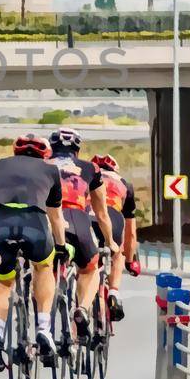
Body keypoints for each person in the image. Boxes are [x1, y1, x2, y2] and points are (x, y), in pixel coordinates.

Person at [0, 133, 66, 373]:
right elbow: (56, 216)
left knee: (3, 282)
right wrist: (60, 247)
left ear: (14, 150)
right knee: (43, 268)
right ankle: (43, 329)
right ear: (45, 153)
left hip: (0, 223)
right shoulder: (51, 171)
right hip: (35, 222)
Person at [46, 128, 113, 338]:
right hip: (77, 219)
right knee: (91, 268)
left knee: (42, 268)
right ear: (77, 150)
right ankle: (82, 308)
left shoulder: (41, 166)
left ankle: (42, 323)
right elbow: (102, 214)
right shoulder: (90, 168)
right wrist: (111, 242)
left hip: (48, 220)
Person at [90, 154, 137, 322]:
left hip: (88, 217)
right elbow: (131, 233)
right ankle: (114, 292)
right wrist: (130, 261)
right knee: (118, 252)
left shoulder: (85, 175)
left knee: (86, 265)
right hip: (113, 217)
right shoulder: (125, 184)